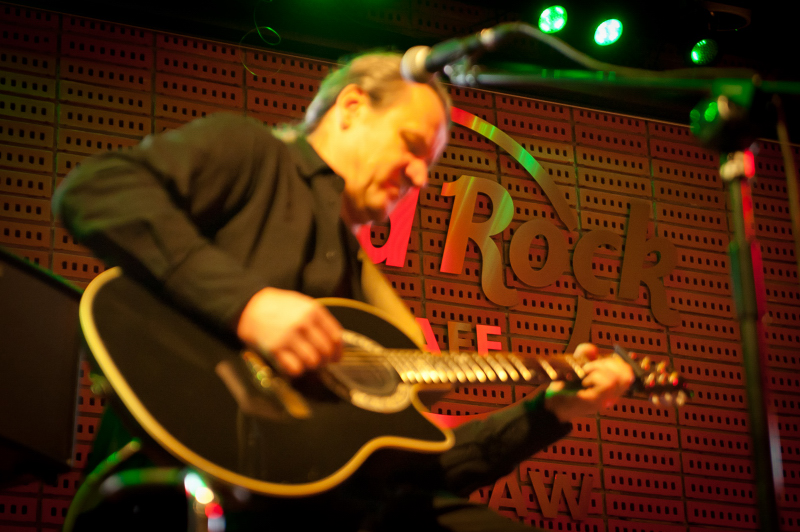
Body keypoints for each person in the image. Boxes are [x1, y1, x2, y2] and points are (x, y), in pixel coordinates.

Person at [54, 52, 634, 531]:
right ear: (351, 108)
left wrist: (555, 408)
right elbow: (98, 190)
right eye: (411, 144)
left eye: (429, 164)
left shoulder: (365, 303)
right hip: (169, 490)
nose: (420, 176)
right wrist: (249, 306)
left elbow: (407, 473)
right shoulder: (253, 156)